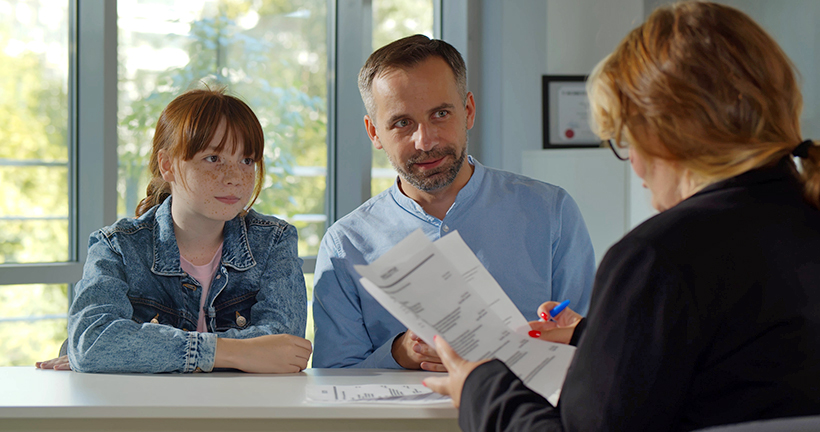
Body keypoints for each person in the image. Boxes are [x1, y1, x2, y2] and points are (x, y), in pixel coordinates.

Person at [424, 2, 820, 430]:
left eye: (626, 139)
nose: (633, 164)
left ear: (664, 131)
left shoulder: (657, 259)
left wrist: (480, 387)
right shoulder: (802, 219)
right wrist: (599, 336)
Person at [311, 35, 596, 371]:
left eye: (441, 114)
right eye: (402, 123)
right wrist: (400, 353)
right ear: (374, 132)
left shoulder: (551, 213)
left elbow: (597, 349)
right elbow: (332, 377)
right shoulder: (345, 244)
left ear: (468, 111)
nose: (425, 140)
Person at [36, 88, 311, 373]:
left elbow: (286, 349)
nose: (234, 178)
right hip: (144, 414)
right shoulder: (117, 246)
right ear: (167, 164)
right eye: (213, 158)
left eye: (247, 160)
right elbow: (92, 343)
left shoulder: (274, 241)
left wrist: (134, 352)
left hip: (242, 413)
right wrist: (232, 352)